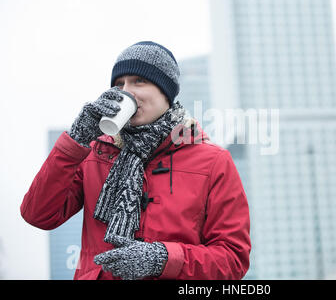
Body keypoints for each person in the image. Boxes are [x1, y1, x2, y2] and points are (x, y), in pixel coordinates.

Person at [20, 41, 251, 280]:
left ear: (165, 92)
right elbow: (38, 214)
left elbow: (233, 259)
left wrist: (162, 259)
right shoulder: (94, 152)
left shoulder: (213, 161)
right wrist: (75, 140)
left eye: (138, 81)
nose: (126, 91)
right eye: (119, 84)